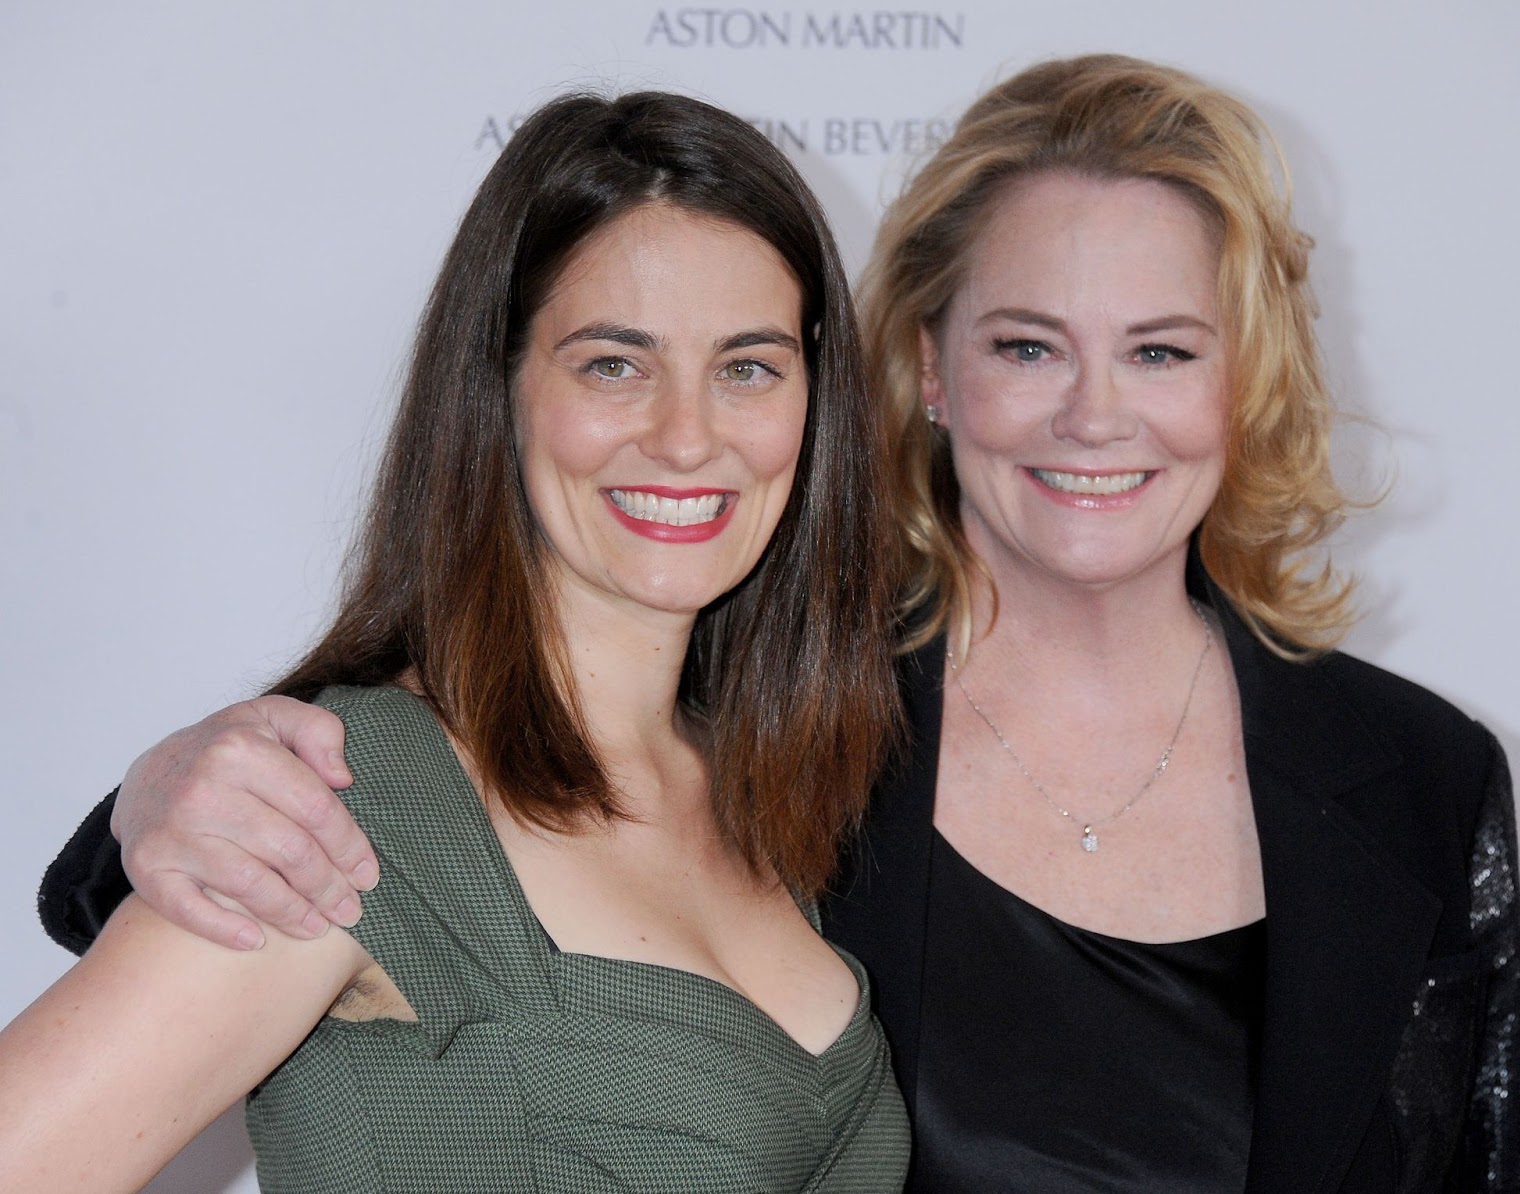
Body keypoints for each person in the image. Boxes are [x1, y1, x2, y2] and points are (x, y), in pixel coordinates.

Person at [33, 55, 1520, 1192]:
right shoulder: (800, 705)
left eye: (1160, 348)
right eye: (1027, 343)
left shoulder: (1416, 779)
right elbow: (371, 848)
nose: (1096, 411)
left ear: (1248, 378)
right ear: (928, 371)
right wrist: (167, 792)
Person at [3, 89, 911, 1192]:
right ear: (499, 388)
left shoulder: (769, 800)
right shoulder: (349, 798)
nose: (686, 436)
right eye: (612, 364)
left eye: (748, 366)